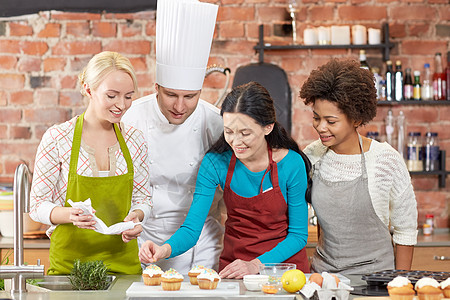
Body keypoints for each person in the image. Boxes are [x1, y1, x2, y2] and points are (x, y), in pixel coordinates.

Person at [139, 81, 311, 278]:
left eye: (245, 133)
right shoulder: (215, 163)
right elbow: (191, 229)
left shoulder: (291, 164)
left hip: (285, 270)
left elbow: (298, 235)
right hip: (235, 269)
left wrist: (255, 265)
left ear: (268, 127)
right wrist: (164, 250)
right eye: (229, 131)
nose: (236, 142)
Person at [121, 0, 224, 274]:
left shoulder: (214, 122)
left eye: (190, 97)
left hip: (201, 239)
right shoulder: (131, 118)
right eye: (171, 95)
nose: (180, 107)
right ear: (156, 87)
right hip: (144, 238)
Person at [29, 51, 152, 275]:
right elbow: (37, 206)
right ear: (88, 89)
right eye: (112, 96)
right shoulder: (58, 138)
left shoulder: (135, 139)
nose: (121, 105)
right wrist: (70, 215)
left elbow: (144, 198)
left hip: (123, 264)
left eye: (128, 96)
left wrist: (138, 216)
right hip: (70, 267)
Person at [300, 59, 418, 274]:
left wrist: (400, 283)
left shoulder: (385, 160)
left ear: (355, 119)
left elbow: (405, 230)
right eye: (316, 118)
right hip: (325, 279)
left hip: (377, 281)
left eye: (331, 121)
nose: (321, 127)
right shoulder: (312, 155)